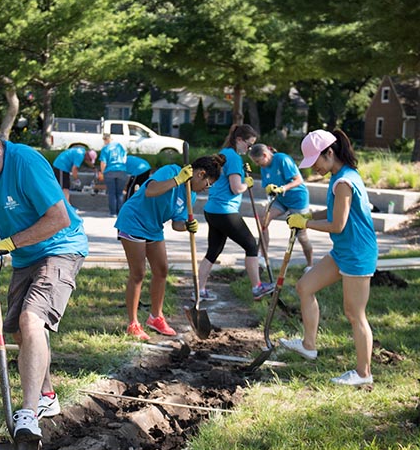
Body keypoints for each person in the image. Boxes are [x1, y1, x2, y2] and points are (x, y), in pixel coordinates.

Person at [0, 119, 89, 442]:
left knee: (32, 321)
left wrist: (9, 244)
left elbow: (59, 218)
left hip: (61, 247)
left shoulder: (26, 163)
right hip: (26, 255)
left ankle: (28, 414)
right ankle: (46, 395)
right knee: (17, 330)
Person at [279, 129, 378, 386]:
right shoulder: (341, 176)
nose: (314, 169)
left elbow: (338, 225)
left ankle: (363, 374)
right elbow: (333, 211)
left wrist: (306, 225)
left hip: (357, 253)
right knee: (305, 286)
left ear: (329, 153)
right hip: (344, 251)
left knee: (355, 314)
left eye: (316, 162)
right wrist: (310, 216)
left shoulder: (344, 182)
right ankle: (309, 345)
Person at [115, 154, 225, 340]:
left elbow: (177, 224)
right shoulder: (171, 171)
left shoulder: (192, 194)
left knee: (162, 270)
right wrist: (177, 180)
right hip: (133, 221)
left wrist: (187, 226)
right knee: (138, 273)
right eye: (208, 184)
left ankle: (156, 317)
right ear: (200, 174)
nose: (206, 189)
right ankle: (133, 323)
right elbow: (150, 191)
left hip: (154, 227)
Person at [196, 124, 275, 301]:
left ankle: (200, 291)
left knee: (213, 251)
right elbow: (236, 187)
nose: (249, 149)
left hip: (212, 210)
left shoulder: (223, 153)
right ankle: (257, 287)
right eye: (248, 145)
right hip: (225, 211)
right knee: (251, 246)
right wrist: (247, 182)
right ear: (239, 140)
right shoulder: (233, 158)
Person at [248, 144, 314, 271]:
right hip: (281, 199)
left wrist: (283, 188)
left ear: (265, 155)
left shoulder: (283, 160)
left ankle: (310, 265)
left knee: (301, 235)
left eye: (257, 161)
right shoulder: (264, 166)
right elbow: (268, 186)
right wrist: (270, 191)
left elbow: (298, 180)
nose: (257, 164)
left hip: (297, 199)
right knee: (263, 220)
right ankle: (263, 257)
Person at [97, 133, 128, 217]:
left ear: (105, 140)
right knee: (120, 193)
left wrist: (103, 173)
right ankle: (120, 212)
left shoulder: (105, 149)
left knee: (112, 193)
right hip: (121, 170)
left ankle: (113, 212)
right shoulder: (119, 146)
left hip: (110, 171)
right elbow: (125, 157)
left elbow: (103, 163)